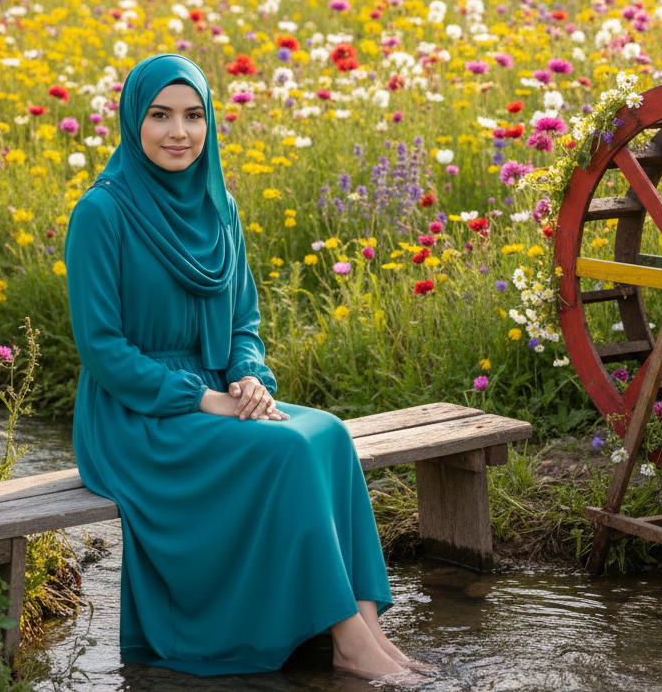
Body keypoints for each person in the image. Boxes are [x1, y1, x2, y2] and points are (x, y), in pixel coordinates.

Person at [65, 53, 413, 679]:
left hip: (214, 392)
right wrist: (207, 400)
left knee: (329, 434)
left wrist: (248, 378)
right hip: (134, 414)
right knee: (285, 452)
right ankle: (348, 643)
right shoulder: (101, 213)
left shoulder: (219, 205)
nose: (179, 132)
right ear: (132, 121)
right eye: (160, 116)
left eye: (193, 115)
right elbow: (102, 350)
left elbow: (243, 323)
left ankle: (368, 631)